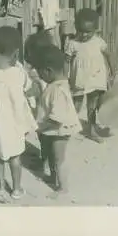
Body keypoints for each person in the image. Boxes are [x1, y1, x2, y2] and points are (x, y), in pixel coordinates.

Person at [0, 26, 38, 203]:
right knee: (15, 157)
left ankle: (0, 188)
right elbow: (30, 91)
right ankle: (16, 189)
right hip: (14, 125)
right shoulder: (19, 73)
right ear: (16, 54)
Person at [34, 45, 82, 197]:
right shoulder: (55, 85)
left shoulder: (58, 90)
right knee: (51, 155)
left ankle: (62, 187)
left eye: (40, 73)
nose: (39, 76)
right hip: (52, 129)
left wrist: (40, 125)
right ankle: (53, 178)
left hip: (59, 130)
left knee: (58, 158)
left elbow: (58, 118)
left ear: (48, 71)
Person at [64, 8, 115, 143]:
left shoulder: (99, 42)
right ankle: (67, 127)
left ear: (95, 30)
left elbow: (108, 55)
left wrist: (111, 71)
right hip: (79, 80)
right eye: (81, 31)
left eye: (88, 32)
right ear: (76, 27)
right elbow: (67, 61)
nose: (84, 34)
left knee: (92, 106)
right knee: (76, 105)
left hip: (95, 79)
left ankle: (92, 130)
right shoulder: (72, 44)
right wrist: (64, 78)